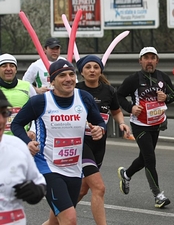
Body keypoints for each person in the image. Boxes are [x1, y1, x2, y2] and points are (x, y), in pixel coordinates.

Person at [11, 59, 106, 225]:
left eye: (71, 74)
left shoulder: (84, 98)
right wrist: (27, 142)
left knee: (55, 221)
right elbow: (16, 124)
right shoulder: (40, 102)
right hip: (48, 167)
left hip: (74, 168)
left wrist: (100, 129)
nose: (68, 79)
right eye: (62, 75)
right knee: (69, 219)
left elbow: (99, 122)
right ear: (52, 81)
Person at [75, 55, 132, 225]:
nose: (92, 70)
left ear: (101, 70)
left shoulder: (109, 90)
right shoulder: (75, 90)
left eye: (96, 67)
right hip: (80, 145)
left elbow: (115, 111)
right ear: (82, 72)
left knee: (83, 189)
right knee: (98, 188)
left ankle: (58, 215)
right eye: (88, 67)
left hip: (99, 146)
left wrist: (122, 123)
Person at [117, 47, 174, 208]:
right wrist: (130, 108)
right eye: (146, 58)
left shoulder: (163, 77)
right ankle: (158, 195)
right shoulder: (133, 79)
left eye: (152, 58)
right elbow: (119, 95)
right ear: (140, 61)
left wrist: (166, 97)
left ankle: (126, 174)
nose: (149, 61)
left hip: (156, 123)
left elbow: (173, 96)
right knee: (150, 158)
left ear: (157, 60)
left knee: (144, 157)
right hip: (140, 125)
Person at [0, 89, 47, 225]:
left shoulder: (18, 147)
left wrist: (37, 191)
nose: (2, 120)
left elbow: (39, 181)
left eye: (4, 113)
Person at [0, 53, 37, 138]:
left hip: (22, 139)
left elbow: (37, 113)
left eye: (12, 66)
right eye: (4, 66)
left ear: (16, 69)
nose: (8, 69)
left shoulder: (27, 86)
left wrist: (32, 130)